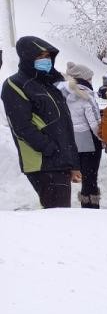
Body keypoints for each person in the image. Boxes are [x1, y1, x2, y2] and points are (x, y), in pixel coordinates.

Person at [1, 36, 80, 208]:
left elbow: (64, 127)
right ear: (28, 56)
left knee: (60, 216)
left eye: (48, 56)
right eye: (40, 56)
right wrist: (50, 149)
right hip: (43, 163)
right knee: (58, 218)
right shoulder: (15, 84)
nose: (46, 60)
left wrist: (72, 163)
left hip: (59, 162)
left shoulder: (48, 84)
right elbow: (22, 127)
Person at [60, 61, 102, 208]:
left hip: (72, 141)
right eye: (90, 78)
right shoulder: (85, 95)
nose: (91, 81)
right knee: (91, 178)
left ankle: (86, 206)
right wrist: (103, 138)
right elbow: (95, 123)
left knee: (82, 176)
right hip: (90, 142)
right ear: (84, 79)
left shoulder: (63, 93)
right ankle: (92, 205)